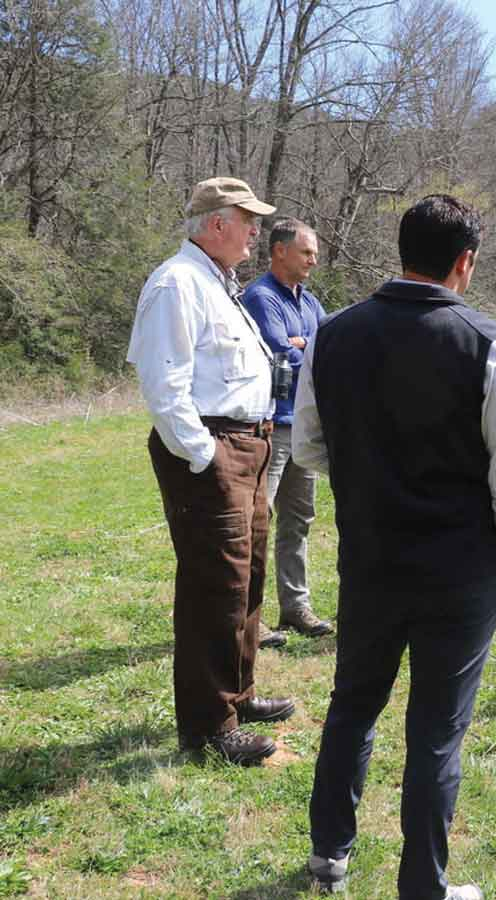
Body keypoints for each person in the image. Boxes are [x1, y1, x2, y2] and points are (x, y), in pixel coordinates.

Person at [294, 194, 496, 898]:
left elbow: (308, 444)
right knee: (436, 729)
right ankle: (422, 887)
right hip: (459, 568)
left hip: (370, 554)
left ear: (403, 250)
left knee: (353, 703)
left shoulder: (332, 334)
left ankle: (328, 856)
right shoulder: (487, 342)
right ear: (465, 262)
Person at [126, 176, 296, 765]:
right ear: (216, 223)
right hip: (214, 449)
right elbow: (163, 385)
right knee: (214, 586)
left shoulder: (216, 283)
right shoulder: (177, 283)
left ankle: (238, 694)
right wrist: (205, 456)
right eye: (247, 219)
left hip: (249, 445)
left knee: (245, 580)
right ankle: (208, 729)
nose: (256, 231)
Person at [243, 217, 334, 646]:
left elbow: (327, 348)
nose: (314, 260)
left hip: (304, 427)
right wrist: (301, 347)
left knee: (299, 520)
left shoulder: (308, 301)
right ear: (280, 251)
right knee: (256, 522)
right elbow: (282, 354)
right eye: (306, 252)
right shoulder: (261, 297)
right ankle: (248, 618)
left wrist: (303, 345)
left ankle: (295, 607)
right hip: (271, 426)